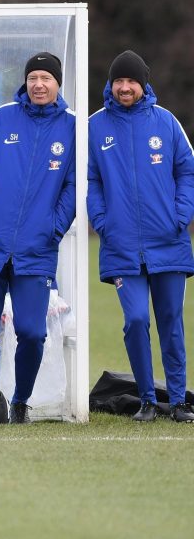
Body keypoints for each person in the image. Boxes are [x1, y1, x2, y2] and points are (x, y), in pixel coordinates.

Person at [0, 52, 76, 424]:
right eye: (33, 78)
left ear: (58, 83)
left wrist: (53, 227)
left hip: (36, 249)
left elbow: (74, 186)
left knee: (31, 331)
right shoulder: (2, 117)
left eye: (46, 78)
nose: (38, 84)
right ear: (25, 82)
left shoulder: (72, 127)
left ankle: (20, 400)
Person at [88, 50, 194, 423]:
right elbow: (90, 179)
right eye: (119, 81)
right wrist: (101, 220)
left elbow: (187, 170)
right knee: (135, 320)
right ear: (111, 85)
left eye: (131, 81)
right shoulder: (94, 126)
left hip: (169, 242)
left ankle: (178, 401)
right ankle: (148, 400)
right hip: (121, 246)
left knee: (171, 321)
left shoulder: (166, 122)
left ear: (143, 83)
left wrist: (181, 215)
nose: (125, 87)